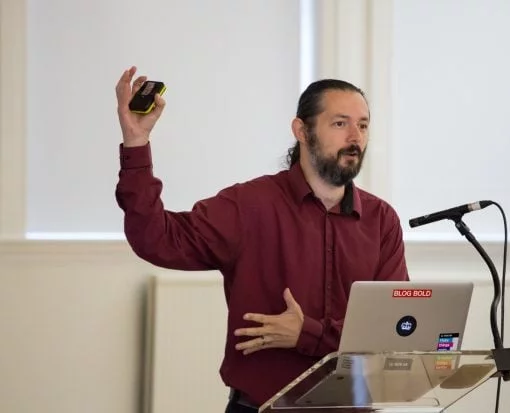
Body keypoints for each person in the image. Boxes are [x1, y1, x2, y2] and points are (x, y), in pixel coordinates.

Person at [114, 66, 409, 413]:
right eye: (340, 123)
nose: (355, 137)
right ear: (301, 129)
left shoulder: (381, 220)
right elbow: (156, 239)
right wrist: (137, 144)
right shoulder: (248, 205)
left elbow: (392, 328)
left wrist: (307, 334)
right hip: (261, 407)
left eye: (362, 125)